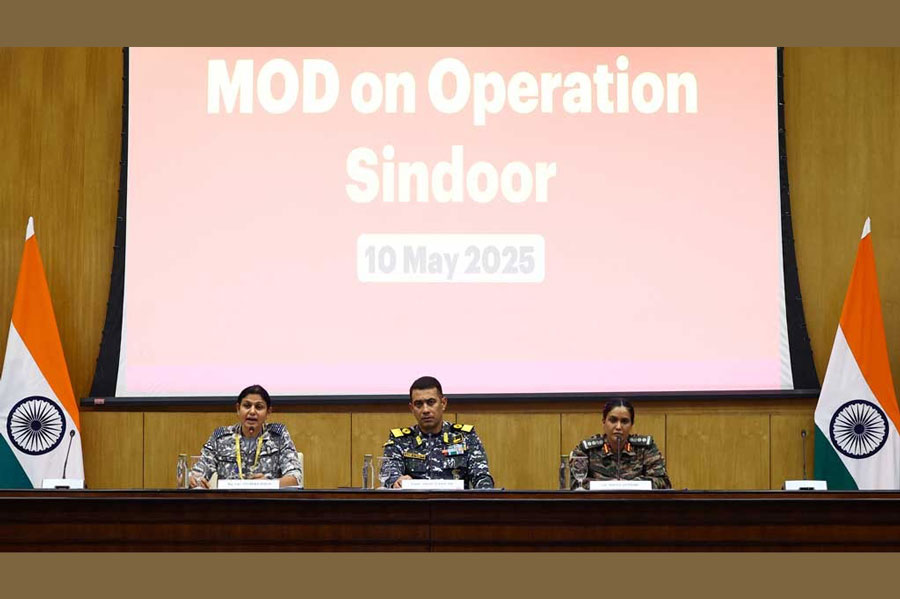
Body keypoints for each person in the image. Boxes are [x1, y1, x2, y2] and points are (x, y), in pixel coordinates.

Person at [381, 376, 494, 489]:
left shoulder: (465, 437)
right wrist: (396, 481)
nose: (425, 410)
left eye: (431, 402)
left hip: (456, 504)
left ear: (443, 403)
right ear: (412, 408)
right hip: (414, 504)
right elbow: (389, 474)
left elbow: (482, 476)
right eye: (419, 404)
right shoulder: (400, 440)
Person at [189, 384, 303, 488]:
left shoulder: (278, 436)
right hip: (228, 505)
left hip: (267, 504)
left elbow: (295, 478)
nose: (252, 411)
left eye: (259, 407)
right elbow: (198, 473)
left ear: (268, 412)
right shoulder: (221, 437)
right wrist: (193, 479)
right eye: (247, 406)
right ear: (238, 409)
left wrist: (269, 483)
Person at [569, 399, 671, 489]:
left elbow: (663, 482)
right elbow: (576, 484)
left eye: (624, 421)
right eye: (613, 420)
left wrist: (630, 485)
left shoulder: (645, 448)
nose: (618, 427)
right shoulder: (587, 450)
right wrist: (608, 486)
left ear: (631, 424)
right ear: (604, 422)